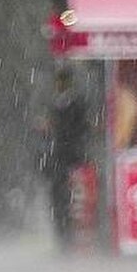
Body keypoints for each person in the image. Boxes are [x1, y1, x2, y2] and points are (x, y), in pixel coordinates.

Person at [42, 68, 90, 252]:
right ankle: (63, 238)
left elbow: (78, 130)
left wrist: (56, 130)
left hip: (71, 159)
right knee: (60, 200)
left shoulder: (76, 104)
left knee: (72, 200)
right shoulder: (55, 105)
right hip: (60, 161)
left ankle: (70, 239)